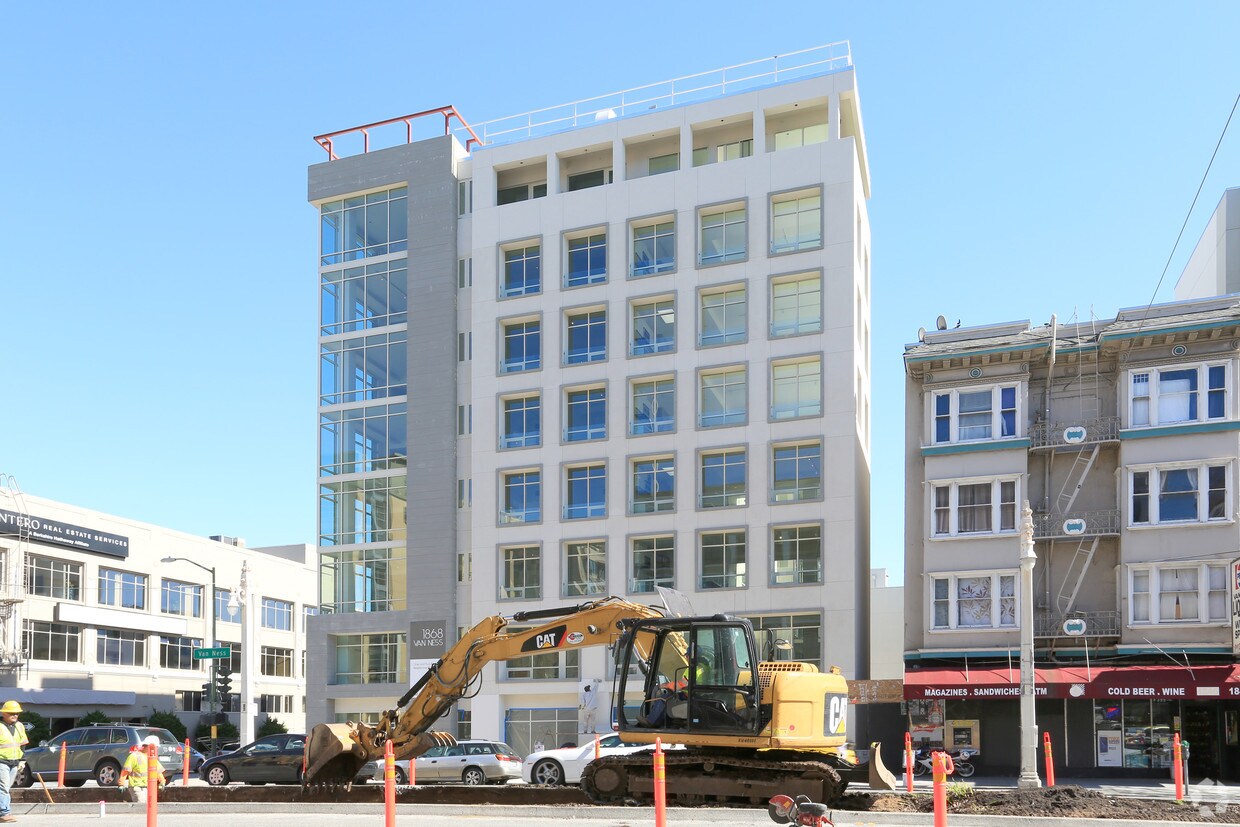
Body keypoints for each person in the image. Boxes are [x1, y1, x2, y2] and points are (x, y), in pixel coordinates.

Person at [0, 701, 27, 824]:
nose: (15, 715)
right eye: (11, 713)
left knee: (6, 788)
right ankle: (4, 813)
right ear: (4, 713)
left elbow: (22, 745)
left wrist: (22, 761)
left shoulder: (20, 726)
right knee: (3, 787)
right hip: (2, 761)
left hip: (15, 762)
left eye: (17, 713)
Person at [118, 736, 166, 803]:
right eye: (156, 747)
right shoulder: (134, 756)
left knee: (147, 805)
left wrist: (162, 781)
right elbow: (125, 771)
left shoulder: (152, 758)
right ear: (149, 746)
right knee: (142, 803)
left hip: (147, 787)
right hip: (136, 786)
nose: (156, 749)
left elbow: (158, 772)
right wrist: (121, 784)